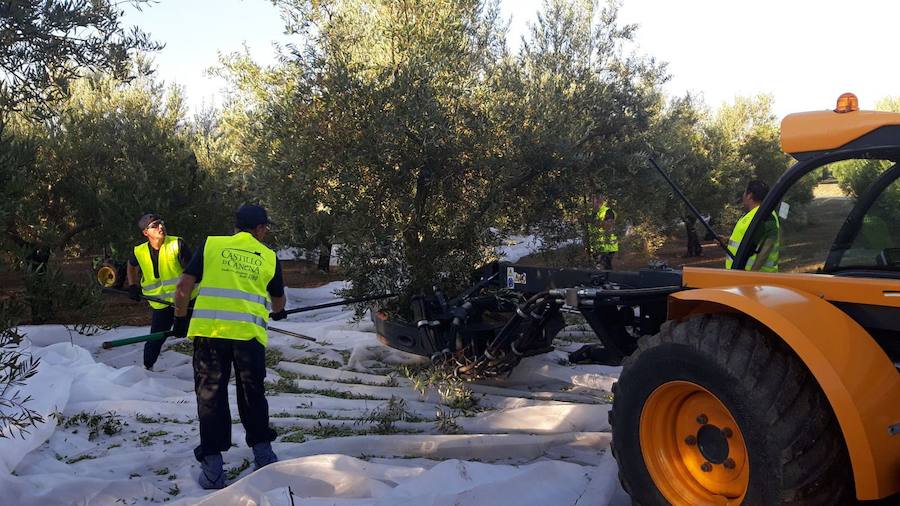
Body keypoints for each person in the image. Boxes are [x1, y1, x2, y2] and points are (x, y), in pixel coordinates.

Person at [172, 204, 288, 490]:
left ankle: (213, 468)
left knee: (210, 395)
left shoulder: (211, 245)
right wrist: (278, 311)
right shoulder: (269, 257)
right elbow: (278, 301)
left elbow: (184, 286)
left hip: (210, 335)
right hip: (248, 336)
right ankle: (262, 451)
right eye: (265, 228)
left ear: (236, 226)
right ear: (260, 228)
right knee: (252, 393)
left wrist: (179, 319)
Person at [126, 213, 194, 370]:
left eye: (161, 223)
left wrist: (181, 315)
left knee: (198, 333)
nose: (161, 227)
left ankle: (210, 366)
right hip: (161, 304)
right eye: (155, 225)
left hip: (187, 300)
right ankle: (147, 368)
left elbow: (191, 273)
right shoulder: (140, 251)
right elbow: (131, 265)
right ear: (146, 233)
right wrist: (132, 285)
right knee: (155, 337)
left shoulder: (177, 244)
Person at [724, 180, 781, 272]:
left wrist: (751, 276)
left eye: (744, 192)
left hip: (757, 280)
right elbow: (750, 238)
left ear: (749, 195)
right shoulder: (754, 215)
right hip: (740, 276)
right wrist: (727, 240)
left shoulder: (766, 216)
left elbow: (766, 249)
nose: (743, 196)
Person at [587, 195, 619, 270]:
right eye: (589, 201)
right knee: (600, 272)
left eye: (591, 200)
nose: (590, 203)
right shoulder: (590, 213)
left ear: (599, 201)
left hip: (607, 248)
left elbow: (608, 225)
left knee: (603, 270)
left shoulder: (608, 211)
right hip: (595, 247)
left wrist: (594, 222)